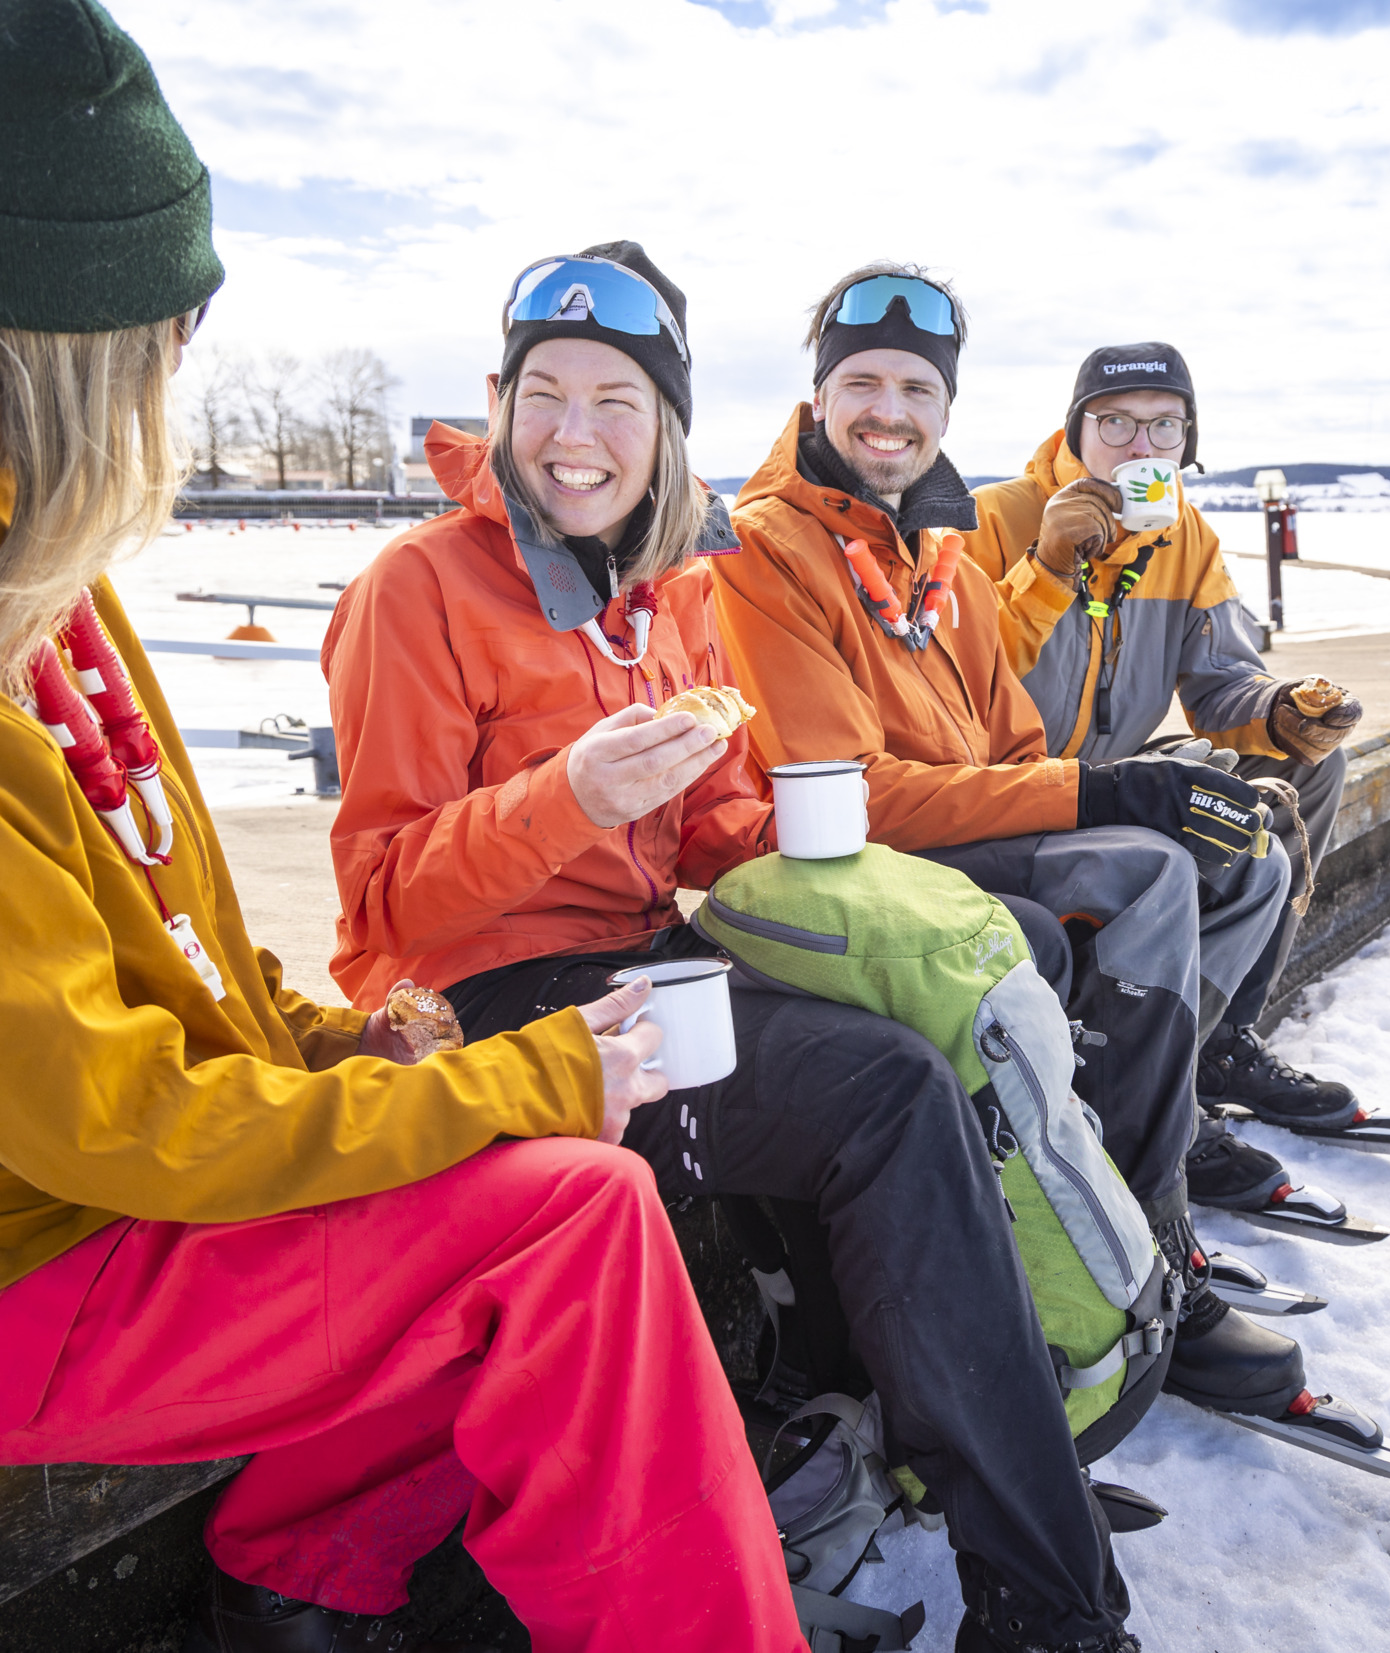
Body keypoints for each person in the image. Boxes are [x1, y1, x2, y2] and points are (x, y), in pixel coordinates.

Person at [0, 8, 797, 1652]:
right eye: (174, 325)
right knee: (568, 1218)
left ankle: (303, 1578)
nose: (180, 365)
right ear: (68, 333)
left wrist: (350, 1044)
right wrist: (521, 1072)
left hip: (102, 1204)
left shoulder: (10, 548)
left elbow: (182, 952)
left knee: (512, 1155)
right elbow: (109, 1117)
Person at [322, 242, 1144, 1653]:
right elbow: (386, 908)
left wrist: (808, 832)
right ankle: (1049, 1603)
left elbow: (712, 837)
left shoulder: (679, 592)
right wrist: (565, 798)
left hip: (651, 958)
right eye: (546, 396)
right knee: (879, 1094)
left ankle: (962, 1421)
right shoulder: (420, 589)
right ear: (504, 401)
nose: (576, 438)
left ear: (667, 429)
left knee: (965, 993)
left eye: (617, 404)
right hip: (493, 1008)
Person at [710, 265, 1385, 1451]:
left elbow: (1020, 736)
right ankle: (1149, 1247)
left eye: (914, 387)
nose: (887, 409)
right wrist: (1097, 746)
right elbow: (842, 793)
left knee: (1235, 840)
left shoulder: (948, 545)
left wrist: (1265, 732)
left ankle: (1169, 1124)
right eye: (858, 383)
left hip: (993, 812)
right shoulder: (819, 544)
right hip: (858, 864)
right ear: (816, 401)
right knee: (1147, 873)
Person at [954, 342, 1381, 1158]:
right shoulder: (991, 519)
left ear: (1188, 443)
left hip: (1110, 769)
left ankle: (1218, 1041)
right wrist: (1046, 563)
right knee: (1195, 829)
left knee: (1304, 770)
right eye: (1115, 424)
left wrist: (1286, 714)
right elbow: (956, 678)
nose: (1140, 449)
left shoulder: (1185, 537)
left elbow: (1220, 684)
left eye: (1165, 428)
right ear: (1074, 431)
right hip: (1003, 788)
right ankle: (1153, 1080)